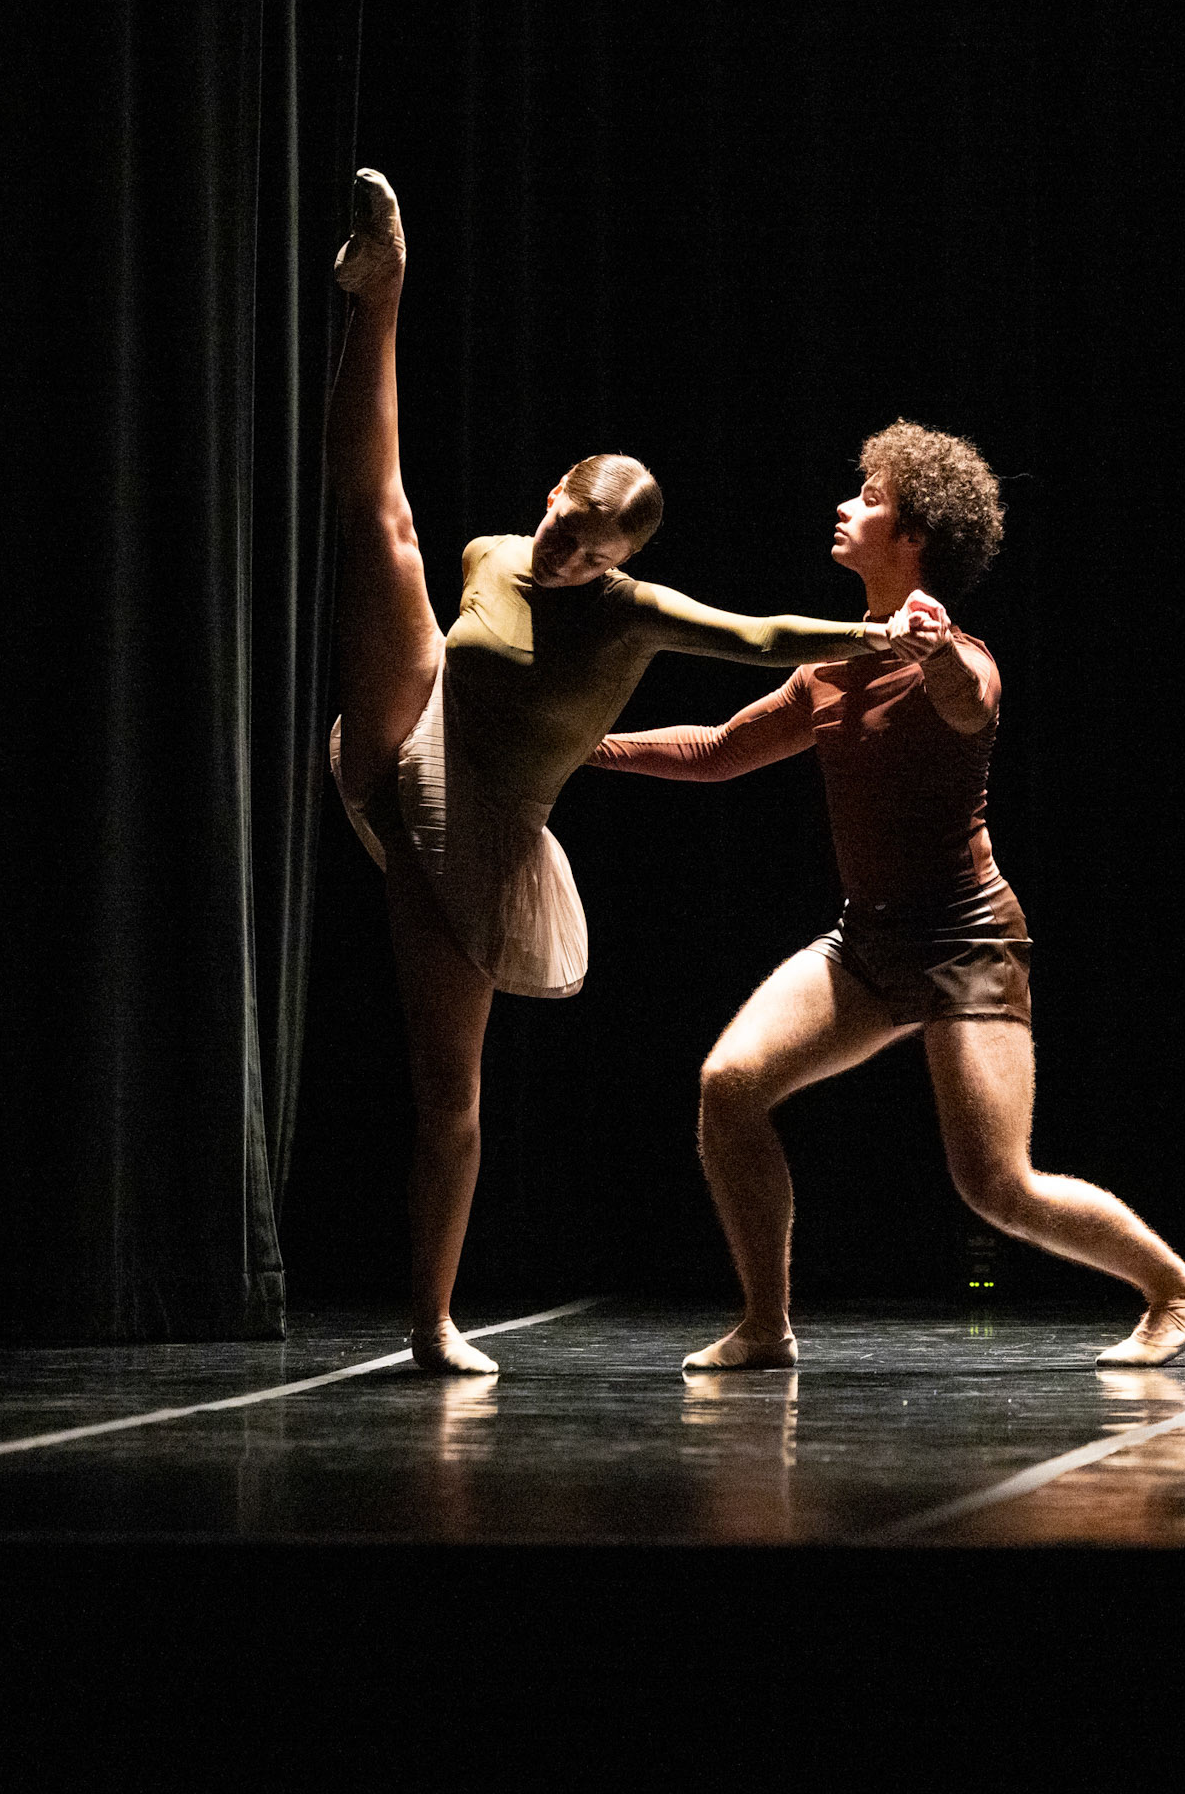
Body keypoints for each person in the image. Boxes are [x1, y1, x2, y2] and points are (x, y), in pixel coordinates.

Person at [325, 169, 890, 1374]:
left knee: (445, 1090)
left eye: (589, 552)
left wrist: (872, 636)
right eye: (560, 527)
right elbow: (451, 598)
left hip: (481, 833)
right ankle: (381, 292)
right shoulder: (491, 551)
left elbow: (757, 636)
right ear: (551, 494)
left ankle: (430, 1321)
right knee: (383, 530)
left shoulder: (633, 612)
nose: (562, 555)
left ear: (622, 558)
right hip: (409, 740)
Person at [589, 420, 1185, 1371]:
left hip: (967, 943)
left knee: (997, 1187)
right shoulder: (831, 667)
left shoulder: (962, 657)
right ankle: (766, 1325)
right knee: (730, 1087)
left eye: (871, 498)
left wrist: (934, 655)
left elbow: (971, 700)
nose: (846, 506)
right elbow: (719, 750)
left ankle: (1178, 1290)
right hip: (867, 944)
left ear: (916, 536)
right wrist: (585, 750)